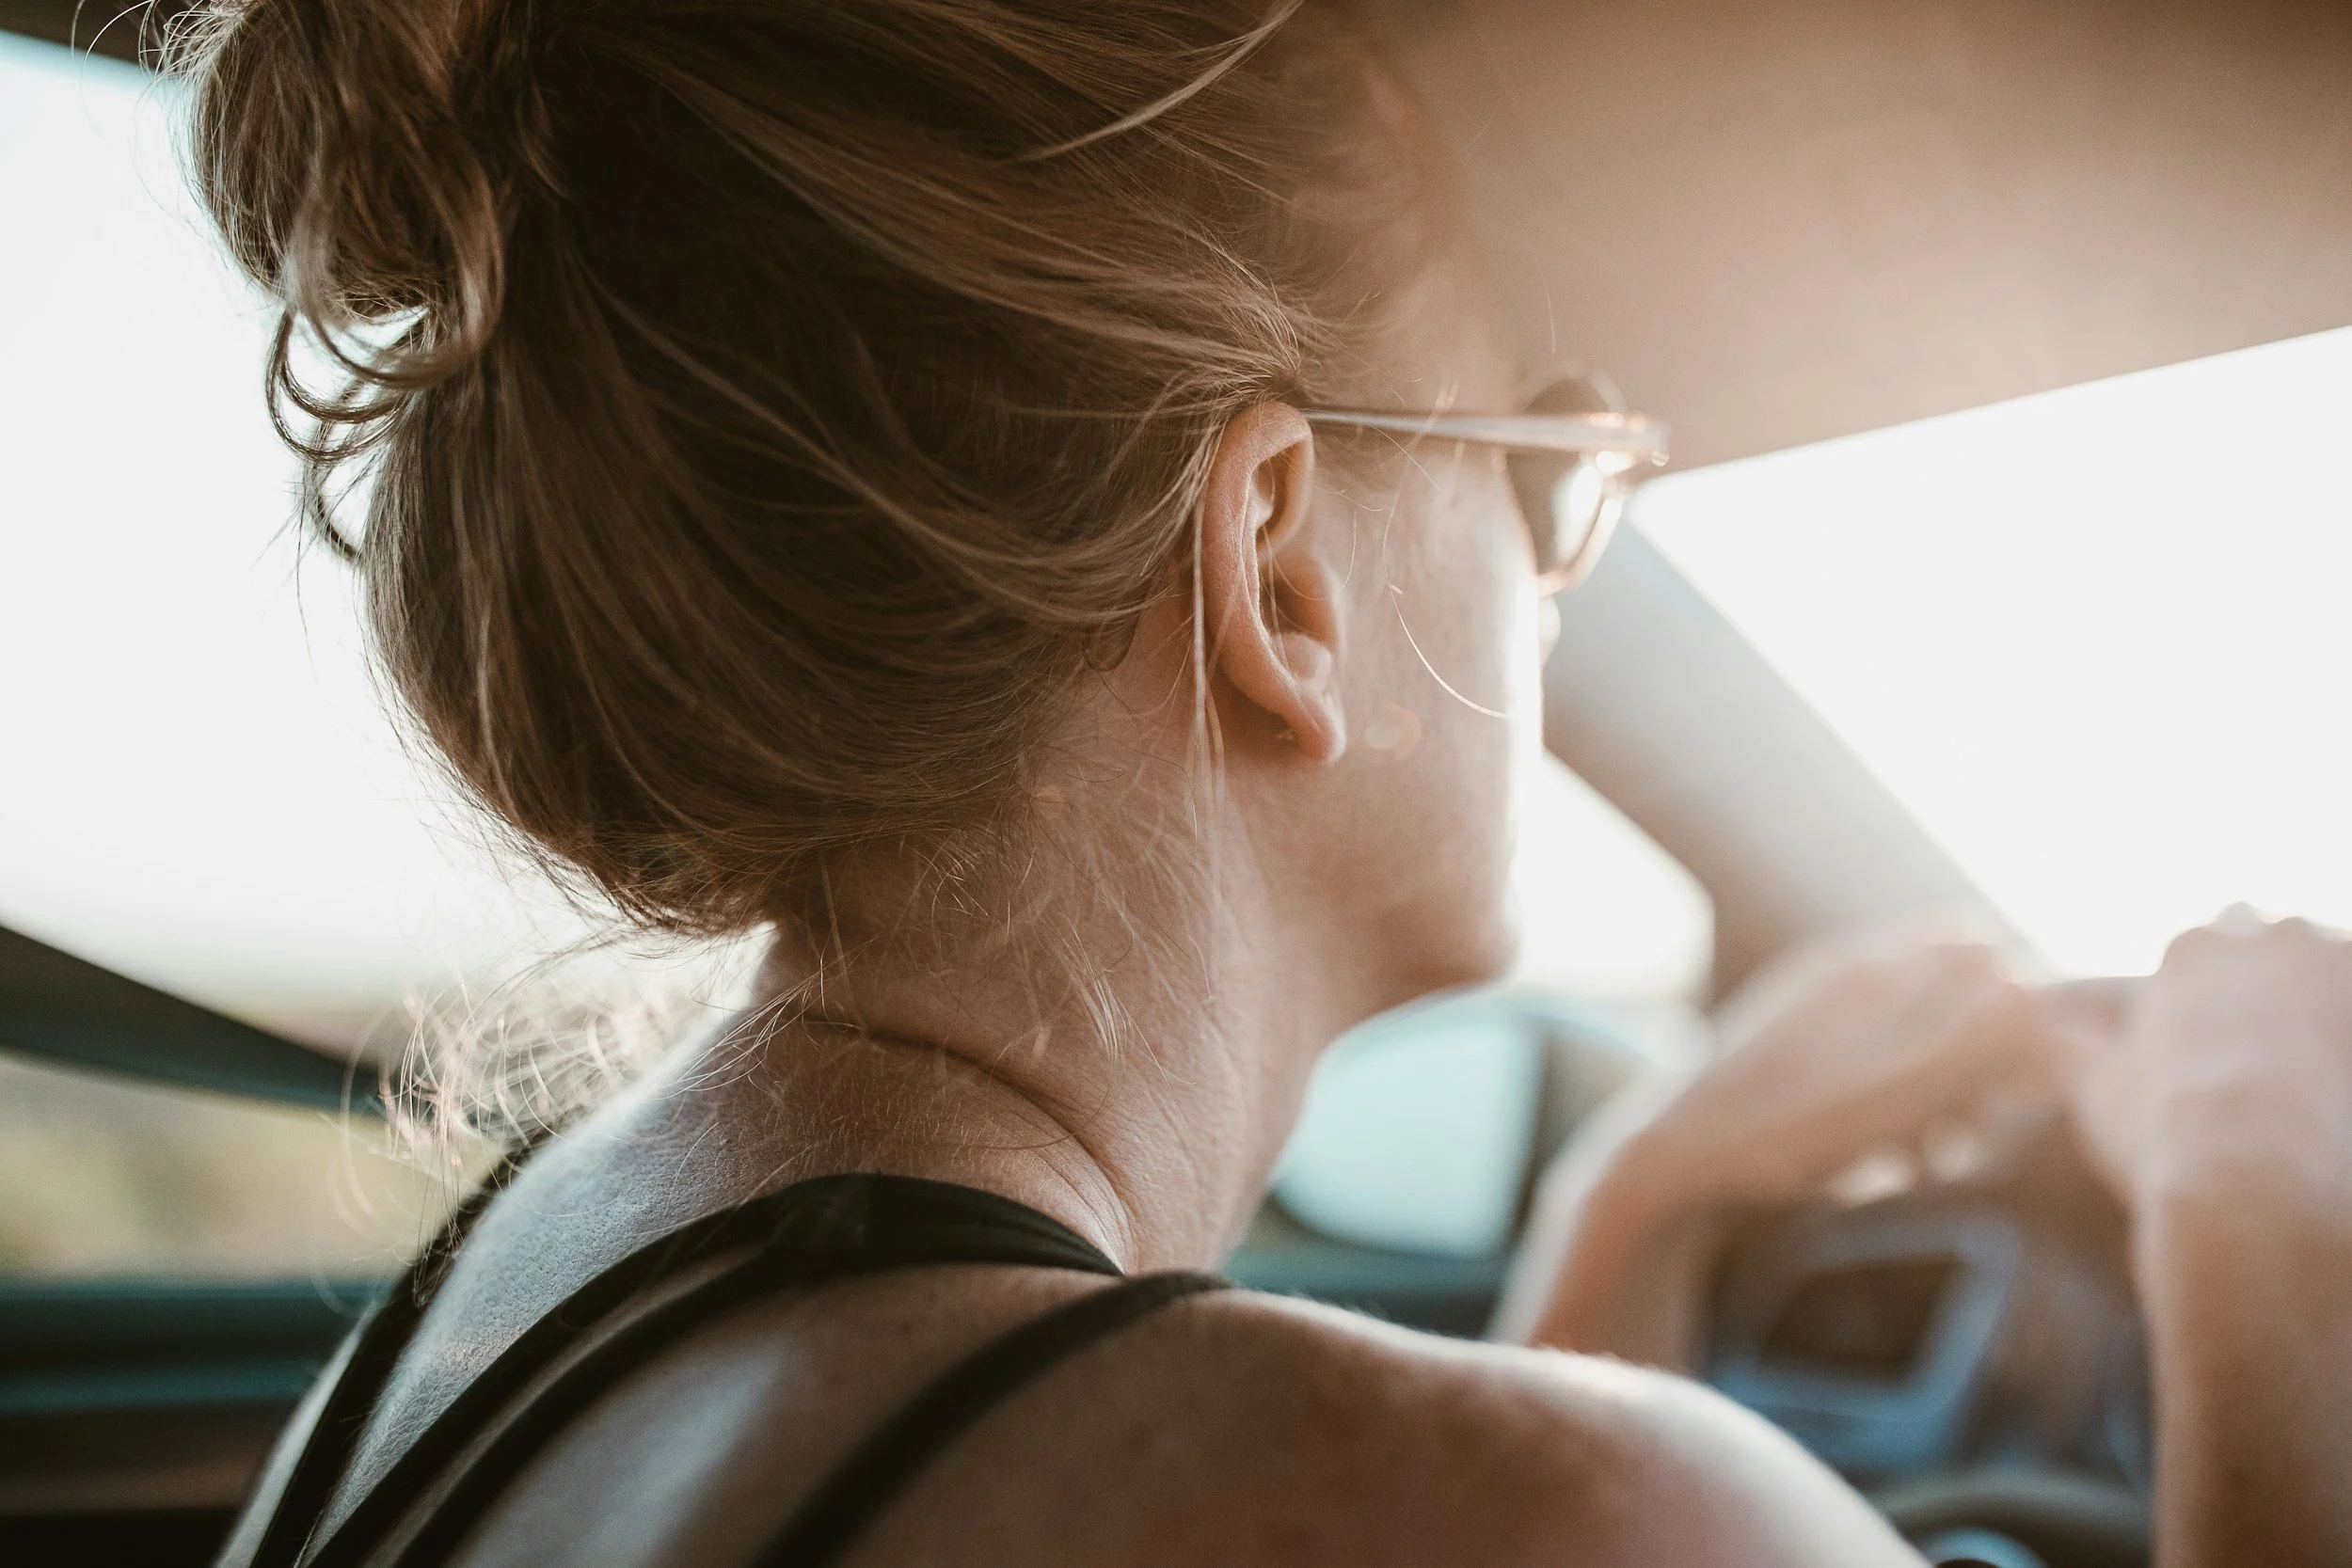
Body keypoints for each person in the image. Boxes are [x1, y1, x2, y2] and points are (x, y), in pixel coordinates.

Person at [171, 0, 2350, 1562]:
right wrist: (2271, 1231)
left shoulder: (509, 1302)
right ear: (1281, 568)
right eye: (1552, 459)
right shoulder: (1540, 1509)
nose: (1556, 572)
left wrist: (1638, 1202)